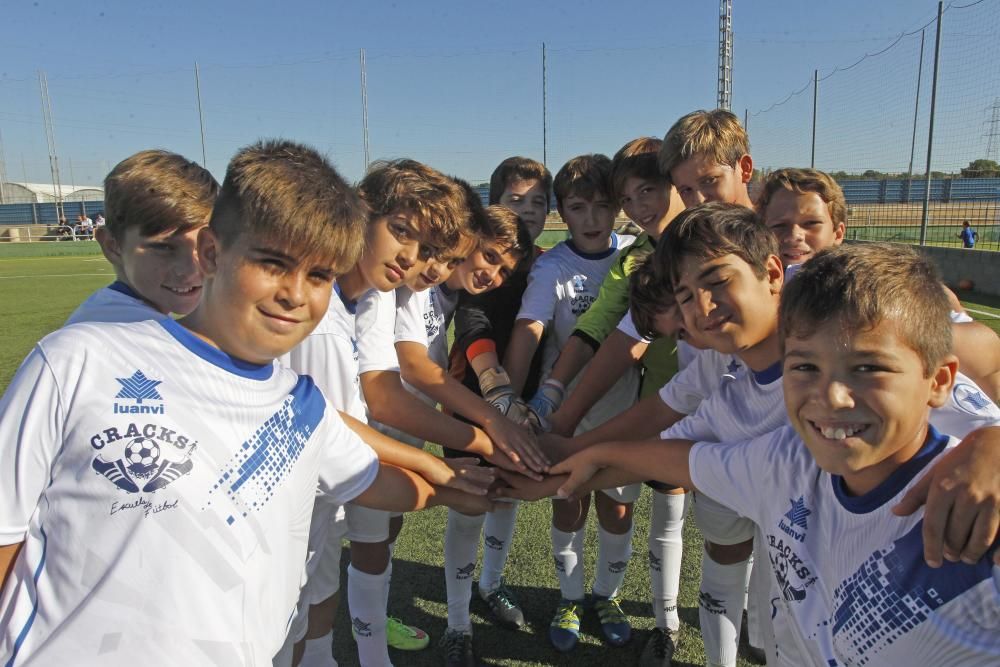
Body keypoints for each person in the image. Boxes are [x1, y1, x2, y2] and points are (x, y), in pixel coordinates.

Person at [0, 139, 492, 665]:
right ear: (212, 253)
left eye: (320, 275)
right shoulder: (79, 359)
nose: (296, 294)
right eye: (273, 263)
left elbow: (369, 479)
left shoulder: (297, 400)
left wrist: (458, 489)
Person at [500, 204, 999, 666]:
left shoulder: (845, 318)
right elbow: (654, 440)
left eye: (717, 282)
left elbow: (976, 353)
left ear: (774, 273)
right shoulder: (754, 425)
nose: (833, 396)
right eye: (685, 298)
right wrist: (557, 458)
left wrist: (993, 446)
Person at [279, 159, 498, 667]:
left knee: (318, 593)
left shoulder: (373, 295)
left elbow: (376, 389)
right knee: (281, 624)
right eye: (401, 231)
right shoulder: (319, 319)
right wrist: (449, 467)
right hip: (281, 508)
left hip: (320, 498)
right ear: (360, 210)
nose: (412, 258)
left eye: (429, 250)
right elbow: (341, 430)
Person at [505, 153, 640, 653]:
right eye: (578, 208)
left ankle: (607, 595)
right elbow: (529, 327)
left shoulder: (635, 253)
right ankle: (569, 597)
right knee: (568, 503)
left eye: (602, 207)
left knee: (619, 508)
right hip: (562, 415)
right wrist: (513, 401)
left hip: (624, 412)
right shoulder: (554, 267)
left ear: (617, 208)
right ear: (563, 211)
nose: (592, 220)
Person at [440, 155, 553, 663]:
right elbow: (474, 325)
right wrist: (497, 392)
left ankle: (491, 584)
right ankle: (458, 622)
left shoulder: (548, 263)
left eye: (537, 202)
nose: (527, 210)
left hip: (522, 405)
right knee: (470, 504)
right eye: (515, 199)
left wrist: (522, 401)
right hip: (471, 407)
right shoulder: (481, 263)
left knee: (507, 498)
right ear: (494, 205)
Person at [67, 150, 219, 325]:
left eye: (205, 247)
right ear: (112, 246)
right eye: (165, 247)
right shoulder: (89, 344)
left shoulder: (137, 321)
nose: (191, 270)